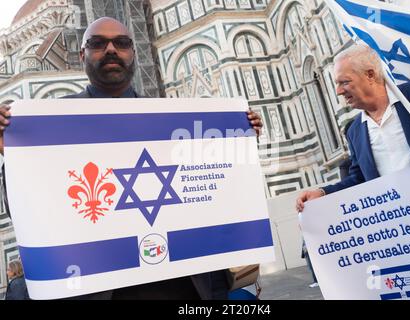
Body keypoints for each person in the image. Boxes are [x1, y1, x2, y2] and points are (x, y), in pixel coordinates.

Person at [0, 17, 263, 300]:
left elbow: (211, 187)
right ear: (82, 55)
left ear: (133, 53)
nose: (111, 49)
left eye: (122, 43)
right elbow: (28, 208)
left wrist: (239, 142)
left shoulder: (172, 117)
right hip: (100, 287)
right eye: (98, 43)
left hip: (182, 283)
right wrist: (12, 154)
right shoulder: (49, 122)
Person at [297, 44, 410, 212]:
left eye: (345, 82)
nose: (339, 91)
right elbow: (359, 180)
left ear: (370, 75)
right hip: (407, 225)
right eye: (337, 84)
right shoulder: (354, 131)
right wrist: (322, 193)